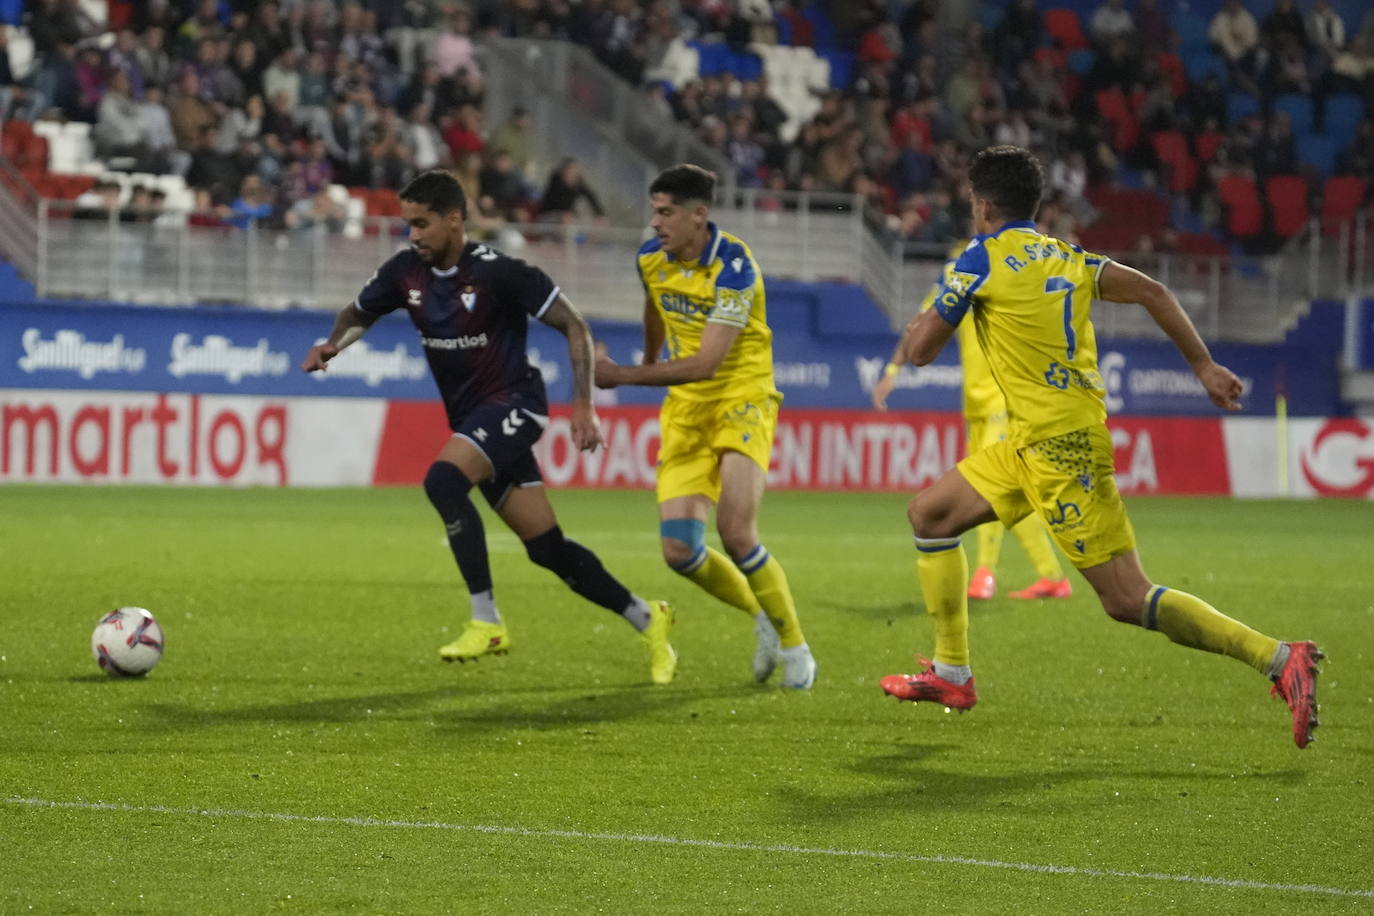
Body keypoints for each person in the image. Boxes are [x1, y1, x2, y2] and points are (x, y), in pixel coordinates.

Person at [877, 146, 1323, 749]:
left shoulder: (980, 257)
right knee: (929, 514)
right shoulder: (1070, 256)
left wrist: (932, 313)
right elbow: (1155, 290)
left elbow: (924, 347)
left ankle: (1279, 658)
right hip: (1032, 441)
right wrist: (1205, 367)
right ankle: (953, 673)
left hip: (1060, 450)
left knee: (1126, 598)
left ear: (981, 204)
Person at [300, 169, 676, 684]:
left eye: (422, 224)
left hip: (516, 404)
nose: (413, 235)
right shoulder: (404, 273)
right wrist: (332, 345)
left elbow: (575, 325)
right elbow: (357, 311)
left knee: (444, 481)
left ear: (455, 221)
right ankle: (648, 617)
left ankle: (486, 619)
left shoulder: (501, 273)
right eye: (408, 224)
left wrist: (583, 404)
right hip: (474, 420)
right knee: (547, 549)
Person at [594, 164, 816, 689]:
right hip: (686, 412)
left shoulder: (736, 267)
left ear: (700, 215)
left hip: (743, 397)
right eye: (654, 211)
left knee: (737, 532)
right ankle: (761, 616)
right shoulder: (651, 258)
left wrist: (625, 375)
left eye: (666, 212)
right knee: (678, 552)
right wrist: (648, 356)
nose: (656, 223)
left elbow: (708, 363)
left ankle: (796, 646)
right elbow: (654, 306)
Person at [872, 259, 1071, 601]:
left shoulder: (1014, 269)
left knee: (987, 487)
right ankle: (1052, 576)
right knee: (1006, 492)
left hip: (1005, 402)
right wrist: (893, 369)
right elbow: (921, 324)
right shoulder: (961, 272)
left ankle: (984, 573)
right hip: (976, 406)